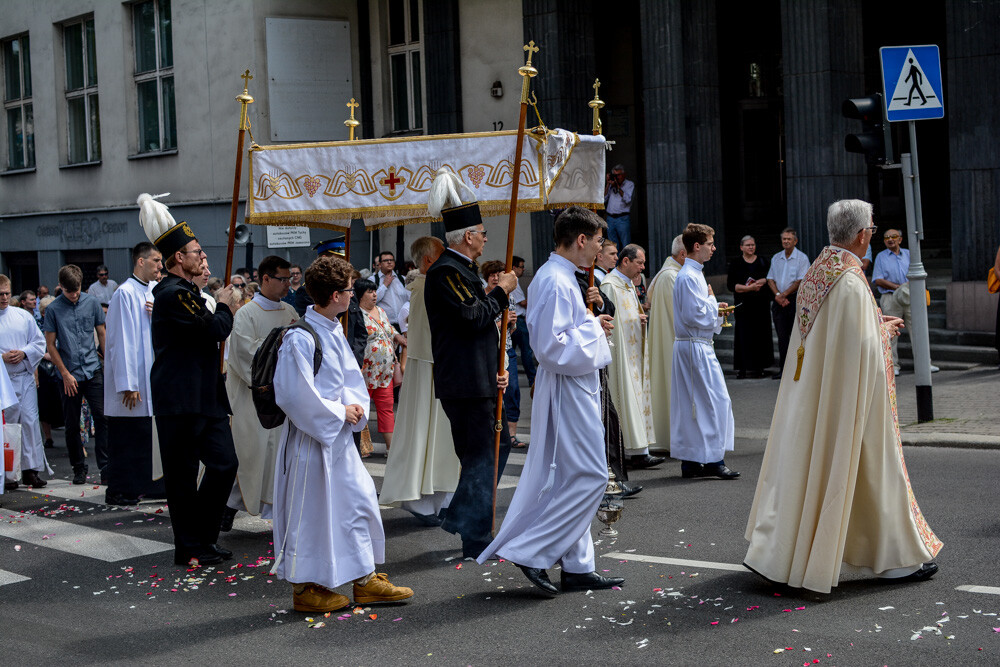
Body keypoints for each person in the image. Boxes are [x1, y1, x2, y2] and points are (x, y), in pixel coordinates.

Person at [744, 199, 942, 593]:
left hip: (814, 394)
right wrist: (884, 332)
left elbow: (831, 334)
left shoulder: (819, 270)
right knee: (874, 466)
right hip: (848, 397)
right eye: (870, 228)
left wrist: (874, 321)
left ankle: (781, 554)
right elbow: (860, 351)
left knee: (807, 467)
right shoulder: (849, 280)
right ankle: (895, 562)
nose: (871, 233)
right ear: (861, 235)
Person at [478, 206, 624, 595]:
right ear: (581, 240)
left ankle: (577, 566)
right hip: (566, 386)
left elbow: (564, 334)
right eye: (597, 241)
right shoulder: (556, 281)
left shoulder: (559, 276)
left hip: (574, 384)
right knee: (590, 476)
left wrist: (592, 325)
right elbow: (550, 347)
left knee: (569, 477)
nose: (599, 249)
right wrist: (594, 328)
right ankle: (531, 550)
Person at [272, 254, 413, 613]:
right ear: (335, 294)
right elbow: (292, 393)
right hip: (311, 441)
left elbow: (350, 378)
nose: (355, 295)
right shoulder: (300, 337)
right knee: (313, 512)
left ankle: (364, 578)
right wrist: (339, 411)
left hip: (338, 437)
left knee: (357, 502)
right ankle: (305, 587)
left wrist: (354, 406)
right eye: (350, 289)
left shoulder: (332, 326)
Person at [140, 192, 243, 567]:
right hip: (180, 401)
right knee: (182, 479)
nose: (202, 256)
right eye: (196, 252)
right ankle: (189, 546)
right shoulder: (170, 293)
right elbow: (212, 328)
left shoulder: (190, 292)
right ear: (178, 258)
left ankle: (203, 536)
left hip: (205, 399)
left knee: (224, 464)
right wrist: (227, 306)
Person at [423, 168, 515, 558]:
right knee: (481, 455)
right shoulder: (445, 271)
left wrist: (497, 366)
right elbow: (472, 317)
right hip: (462, 381)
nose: (486, 238)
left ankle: (466, 518)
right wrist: (501, 292)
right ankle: (474, 535)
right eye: (481, 232)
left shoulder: (463, 269)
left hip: (478, 377)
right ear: (466, 237)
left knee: (496, 449)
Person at [379, 236, 459, 525]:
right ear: (428, 260)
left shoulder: (426, 286)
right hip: (431, 369)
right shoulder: (428, 287)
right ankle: (425, 502)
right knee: (429, 433)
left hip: (435, 368)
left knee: (439, 437)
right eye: (442, 256)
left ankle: (440, 499)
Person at [222, 255, 298, 528]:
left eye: (289, 279)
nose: (287, 284)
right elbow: (246, 355)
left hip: (283, 399)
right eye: (282, 279)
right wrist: (280, 355)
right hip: (254, 399)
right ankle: (228, 506)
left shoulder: (290, 312)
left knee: (278, 457)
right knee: (251, 456)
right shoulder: (246, 314)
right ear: (265, 279)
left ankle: (280, 513)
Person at [670, 223, 739, 480]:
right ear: (696, 246)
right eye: (710, 243)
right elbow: (692, 315)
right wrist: (713, 305)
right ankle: (711, 460)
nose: (714, 248)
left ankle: (693, 459)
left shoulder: (694, 273)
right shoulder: (688, 275)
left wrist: (714, 307)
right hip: (694, 346)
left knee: (698, 405)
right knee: (711, 402)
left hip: (696, 345)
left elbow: (698, 310)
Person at [103, 242, 168, 505]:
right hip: (132, 381)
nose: (160, 266)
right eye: (155, 261)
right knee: (128, 438)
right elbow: (120, 342)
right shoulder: (125, 293)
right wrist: (127, 384)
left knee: (146, 437)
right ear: (140, 262)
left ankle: (148, 486)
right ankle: (121, 489)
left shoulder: (155, 291)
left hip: (151, 377)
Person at [43, 264, 108, 485]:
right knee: (71, 425)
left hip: (92, 369)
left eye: (77, 290)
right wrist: (65, 373)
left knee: (102, 417)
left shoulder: (91, 302)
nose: (74, 295)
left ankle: (106, 467)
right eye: (70, 291)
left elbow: (101, 332)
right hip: (68, 372)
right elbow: (50, 345)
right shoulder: (53, 309)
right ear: (61, 287)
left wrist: (107, 361)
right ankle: (78, 468)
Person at [601, 244, 660, 468]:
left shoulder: (626, 285)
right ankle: (631, 451)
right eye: (640, 263)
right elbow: (609, 319)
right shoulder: (609, 285)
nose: (643, 268)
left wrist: (639, 319)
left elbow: (629, 315)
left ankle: (640, 449)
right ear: (626, 261)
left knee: (636, 398)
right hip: (620, 354)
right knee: (624, 398)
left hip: (633, 352)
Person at [0, 274, 50, 489]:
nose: (3, 297)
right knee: (8, 426)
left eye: (7, 293)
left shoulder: (23, 316)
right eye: (0, 294)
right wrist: (1, 358)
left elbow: (39, 342)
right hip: (3, 381)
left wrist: (24, 353)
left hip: (24, 377)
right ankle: (9, 473)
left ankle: (31, 470)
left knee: (29, 423)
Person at [645, 234, 686, 451]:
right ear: (683, 254)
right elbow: (682, 315)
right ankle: (675, 439)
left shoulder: (669, 273)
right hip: (674, 341)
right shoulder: (672, 276)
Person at [356, 279, 405, 451]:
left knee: (386, 409)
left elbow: (391, 330)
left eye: (375, 291)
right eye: (370, 291)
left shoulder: (381, 311)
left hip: (385, 372)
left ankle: (391, 448)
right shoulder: (356, 315)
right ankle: (361, 446)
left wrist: (401, 339)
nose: (374, 294)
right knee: (361, 408)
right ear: (360, 295)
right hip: (365, 372)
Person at [481, 260, 523, 448]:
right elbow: (482, 326)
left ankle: (511, 434)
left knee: (512, 390)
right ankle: (492, 430)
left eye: (499, 275)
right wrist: (500, 325)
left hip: (507, 348)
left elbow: (511, 330)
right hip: (489, 350)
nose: (495, 278)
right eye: (492, 275)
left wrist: (511, 324)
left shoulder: (509, 297)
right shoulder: (482, 297)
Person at [727, 235, 774, 378]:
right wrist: (749, 288)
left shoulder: (763, 261)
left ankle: (760, 367)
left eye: (753, 245)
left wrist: (763, 281)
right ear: (741, 247)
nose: (751, 247)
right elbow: (731, 285)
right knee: (743, 336)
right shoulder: (735, 263)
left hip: (760, 305)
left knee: (761, 336)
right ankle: (743, 369)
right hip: (744, 306)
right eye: (748, 245)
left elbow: (770, 277)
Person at [766, 228, 809, 380]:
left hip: (794, 301)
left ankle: (799, 370)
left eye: (789, 239)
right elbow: (770, 278)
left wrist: (784, 295)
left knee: (797, 337)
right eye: (784, 239)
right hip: (778, 302)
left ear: (795, 241)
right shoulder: (776, 257)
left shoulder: (802, 258)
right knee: (782, 338)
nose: (786, 241)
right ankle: (783, 370)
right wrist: (778, 295)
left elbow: (800, 280)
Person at [872, 228, 911, 375]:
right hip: (890, 296)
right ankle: (893, 365)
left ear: (900, 239)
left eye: (893, 236)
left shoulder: (908, 253)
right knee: (891, 333)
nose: (890, 239)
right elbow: (878, 279)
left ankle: (925, 363)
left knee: (918, 331)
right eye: (886, 237)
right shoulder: (881, 257)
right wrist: (897, 287)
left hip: (909, 295)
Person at [509, 255, 536, 388]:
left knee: (513, 353)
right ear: (514, 267)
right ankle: (532, 379)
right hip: (518, 321)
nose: (523, 270)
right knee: (526, 351)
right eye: (521, 267)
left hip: (517, 319)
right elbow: (523, 302)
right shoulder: (513, 280)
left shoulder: (515, 280)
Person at [375, 251, 409, 330]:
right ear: (379, 264)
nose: (389, 262)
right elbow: (373, 300)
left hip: (404, 326)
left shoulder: (402, 279)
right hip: (384, 326)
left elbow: (409, 299)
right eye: (386, 260)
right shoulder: (373, 279)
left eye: (391, 260)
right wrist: (384, 285)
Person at [604, 164, 634, 249]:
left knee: (626, 245)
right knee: (613, 246)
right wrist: (608, 184)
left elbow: (628, 200)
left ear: (624, 174)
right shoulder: (611, 185)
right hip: (610, 219)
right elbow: (604, 199)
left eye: (618, 175)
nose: (616, 177)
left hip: (622, 219)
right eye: (615, 175)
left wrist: (617, 186)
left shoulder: (629, 184)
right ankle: (615, 262)